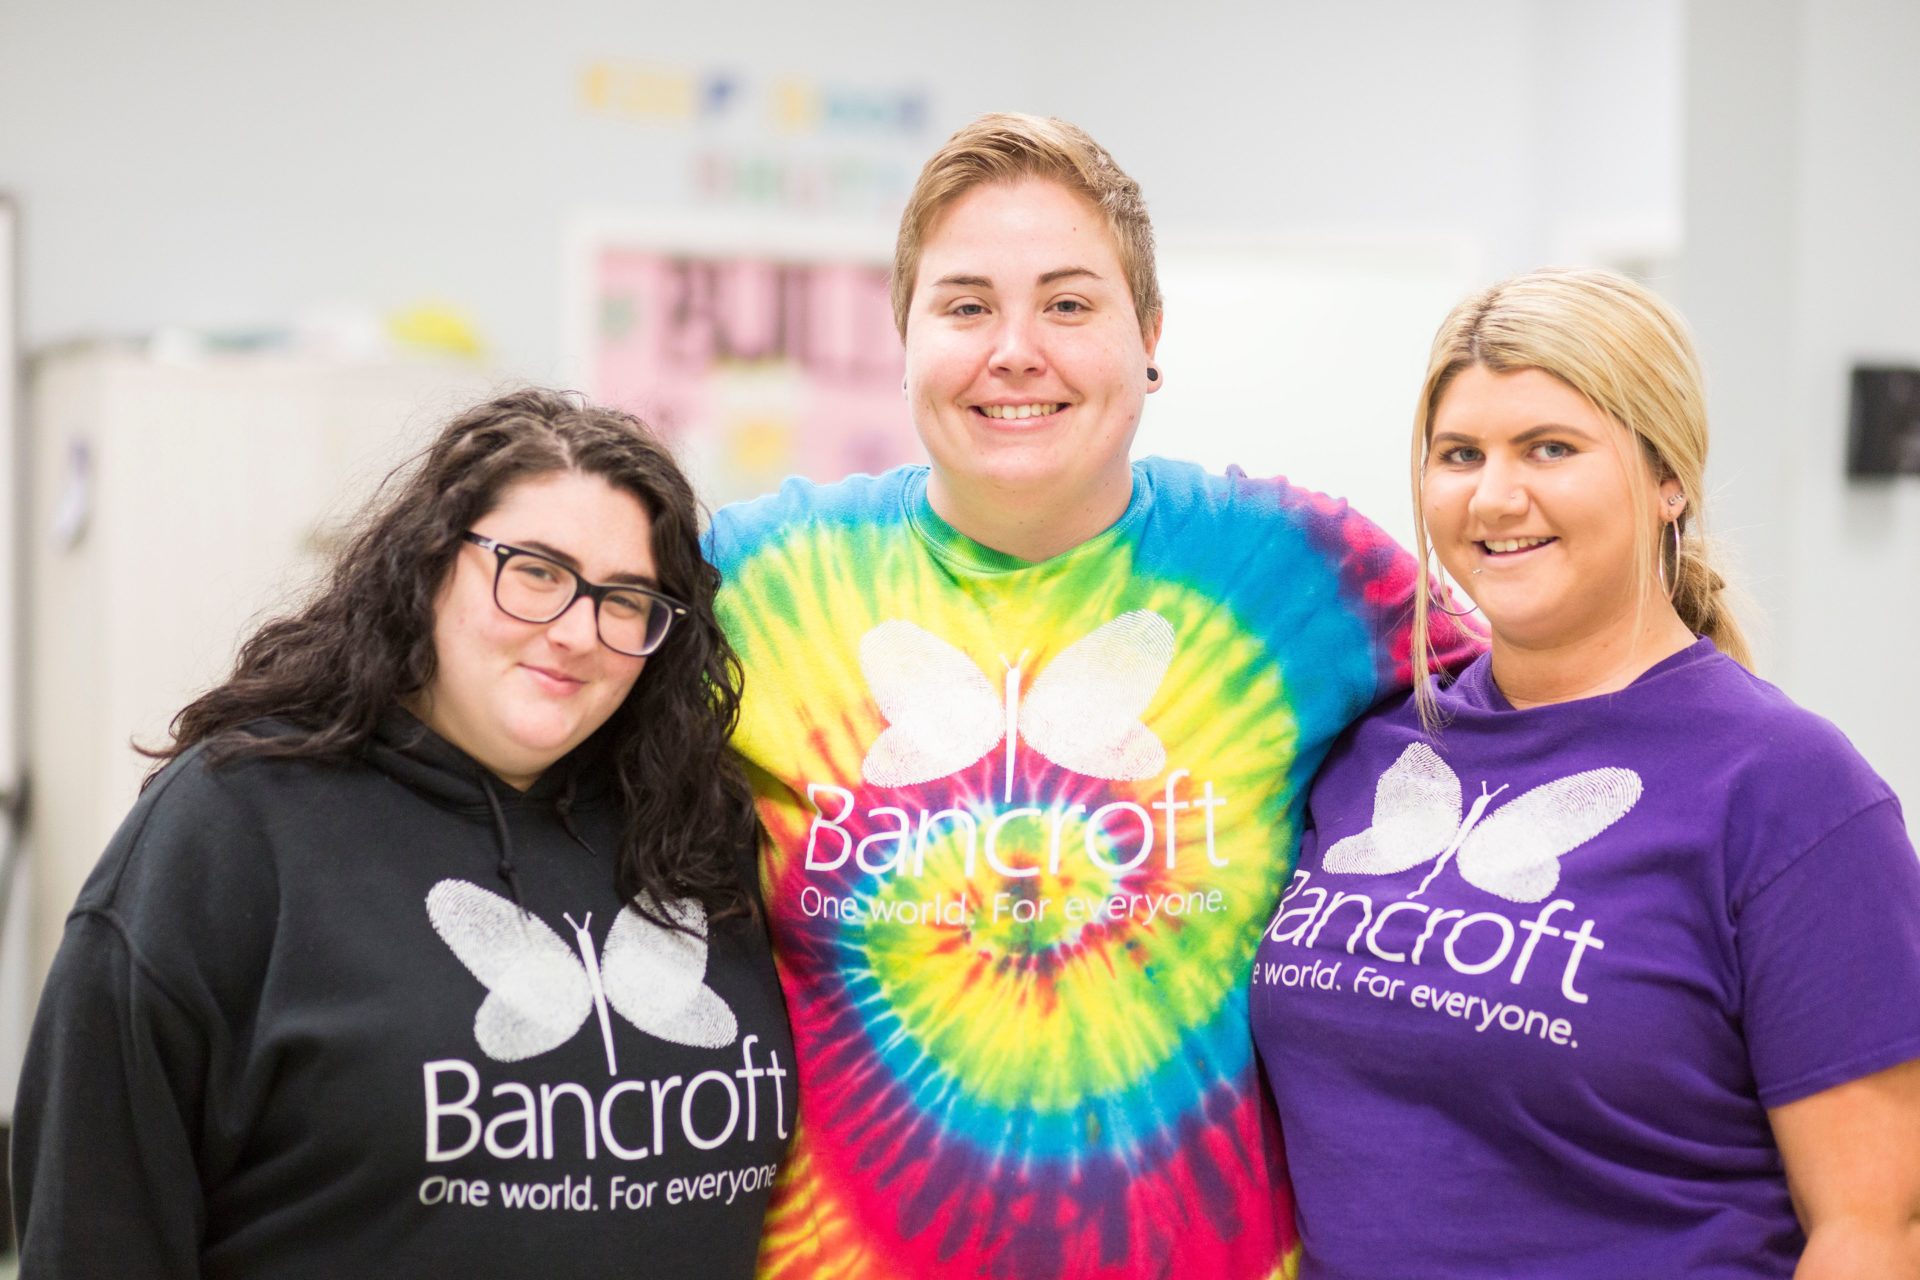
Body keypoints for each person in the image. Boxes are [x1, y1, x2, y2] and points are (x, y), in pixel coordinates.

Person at [703, 113, 1482, 1278]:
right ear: (903, 337)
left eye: (1068, 304)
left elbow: (1550, 710)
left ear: (1150, 335)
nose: (1015, 349)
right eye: (966, 306)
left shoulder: (1296, 572)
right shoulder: (763, 579)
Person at [12, 390, 795, 1277]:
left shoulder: (699, 825)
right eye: (535, 570)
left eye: (626, 600)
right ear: (428, 566)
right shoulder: (239, 827)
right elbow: (97, 1232)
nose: (578, 631)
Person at [1251, 268, 1920, 1278]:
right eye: (1459, 453)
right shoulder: (1371, 745)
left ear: (1669, 478)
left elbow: (1875, 1227)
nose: (1494, 495)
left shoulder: (1789, 789)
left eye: (1550, 448)